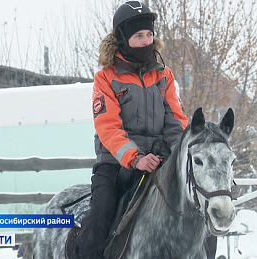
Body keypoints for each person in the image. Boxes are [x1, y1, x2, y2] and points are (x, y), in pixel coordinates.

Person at [74, 1, 189, 259]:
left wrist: (179, 157)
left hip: (160, 160)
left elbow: (175, 122)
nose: (147, 41)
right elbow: (108, 127)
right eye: (139, 36)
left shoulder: (164, 75)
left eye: (149, 34)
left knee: (196, 214)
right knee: (99, 221)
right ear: (123, 39)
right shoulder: (106, 78)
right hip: (116, 164)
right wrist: (135, 158)